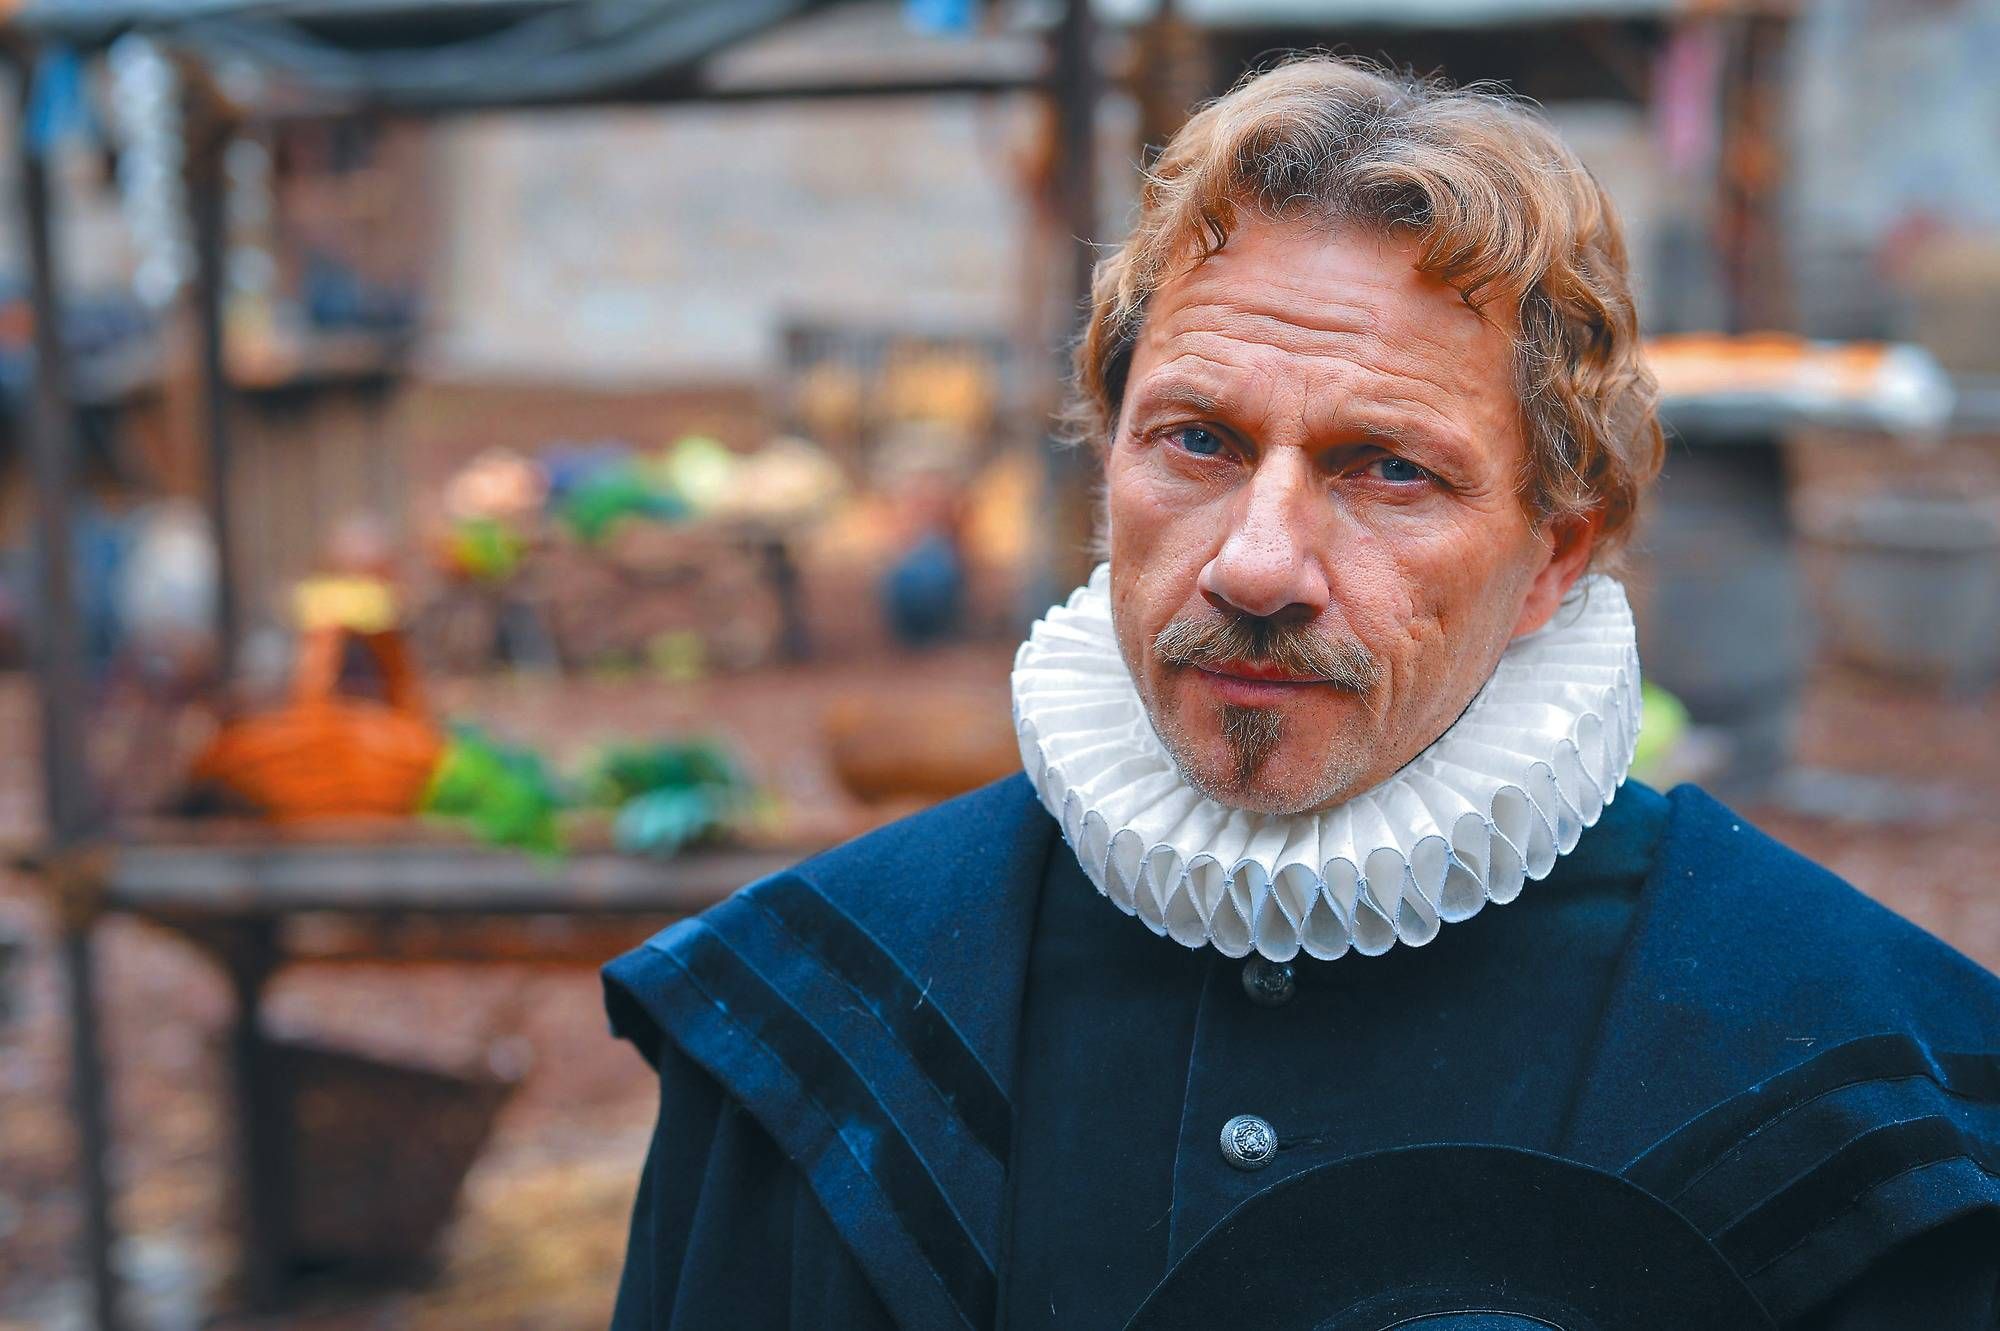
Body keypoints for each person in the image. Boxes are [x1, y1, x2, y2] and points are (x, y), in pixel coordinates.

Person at [603, 58, 2000, 1330]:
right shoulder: (815, 1023)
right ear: (1108, 455)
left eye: (1389, 468)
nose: (1258, 565)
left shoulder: (1866, 1091)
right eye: (1198, 441)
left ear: (1554, 555)